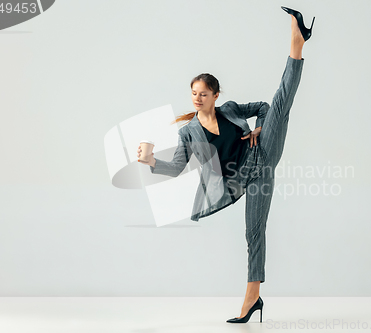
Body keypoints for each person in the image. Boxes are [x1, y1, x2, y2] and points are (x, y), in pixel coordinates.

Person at [138, 6, 315, 324]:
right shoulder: (188, 132)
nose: (197, 98)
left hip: (264, 152)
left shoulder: (231, 109)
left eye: (203, 93)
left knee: (280, 100)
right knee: (254, 234)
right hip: (251, 179)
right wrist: (152, 161)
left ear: (215, 96)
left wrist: (260, 126)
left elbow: (262, 106)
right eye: (194, 93)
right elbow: (176, 168)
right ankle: (252, 299)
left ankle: (297, 42)